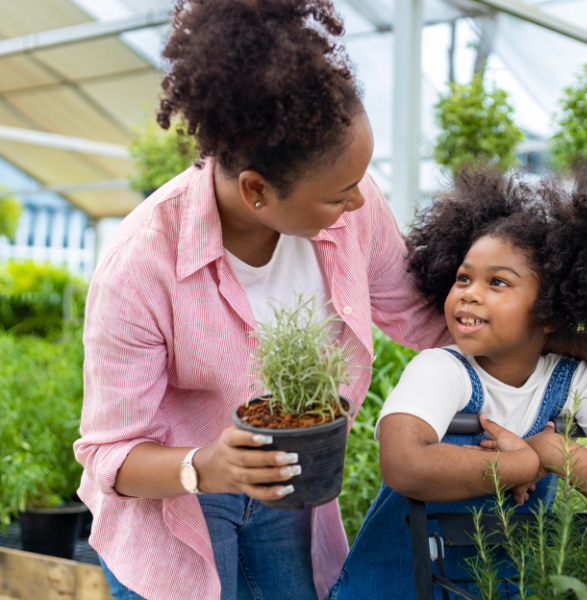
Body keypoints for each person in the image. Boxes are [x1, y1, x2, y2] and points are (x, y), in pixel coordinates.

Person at [73, 1, 452, 599]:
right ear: (256, 190)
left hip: (289, 498)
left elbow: (420, 315)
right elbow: (110, 454)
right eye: (339, 194)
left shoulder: (354, 211)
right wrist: (206, 466)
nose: (359, 204)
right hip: (176, 511)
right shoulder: (143, 265)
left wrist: (536, 358)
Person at [327, 166, 587, 600]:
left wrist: (556, 452)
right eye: (463, 278)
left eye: (497, 283)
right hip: (393, 590)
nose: (470, 293)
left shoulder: (571, 381)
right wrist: (524, 464)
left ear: (549, 310)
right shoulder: (442, 369)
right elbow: (405, 464)